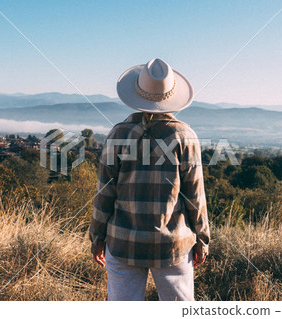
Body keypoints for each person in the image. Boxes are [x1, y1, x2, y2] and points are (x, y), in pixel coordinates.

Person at [89, 58, 210, 301]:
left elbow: (104, 193)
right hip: (173, 244)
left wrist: (97, 237)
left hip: (123, 242)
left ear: (137, 93)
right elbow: (195, 196)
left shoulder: (118, 134)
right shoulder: (184, 135)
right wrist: (202, 239)